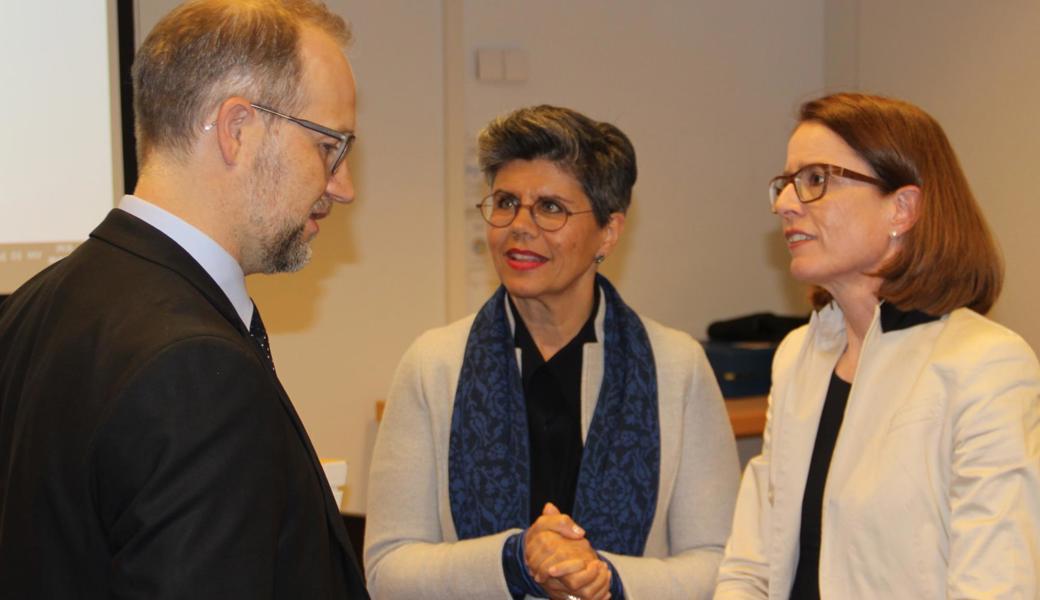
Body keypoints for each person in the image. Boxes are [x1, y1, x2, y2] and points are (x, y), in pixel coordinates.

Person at [0, 1, 368, 597]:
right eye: (330, 146)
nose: (343, 186)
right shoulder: (196, 369)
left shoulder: (36, 303)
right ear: (237, 129)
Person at [365, 105, 740, 600]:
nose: (520, 226)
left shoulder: (678, 366)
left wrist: (605, 577)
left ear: (609, 230)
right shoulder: (434, 366)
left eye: (550, 208)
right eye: (505, 203)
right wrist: (515, 561)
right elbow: (388, 570)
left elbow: (723, 564)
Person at [715, 92, 1040, 598]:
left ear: (902, 208)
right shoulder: (797, 356)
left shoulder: (984, 365)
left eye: (816, 180)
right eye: (786, 184)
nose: (784, 204)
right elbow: (751, 566)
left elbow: (997, 585)